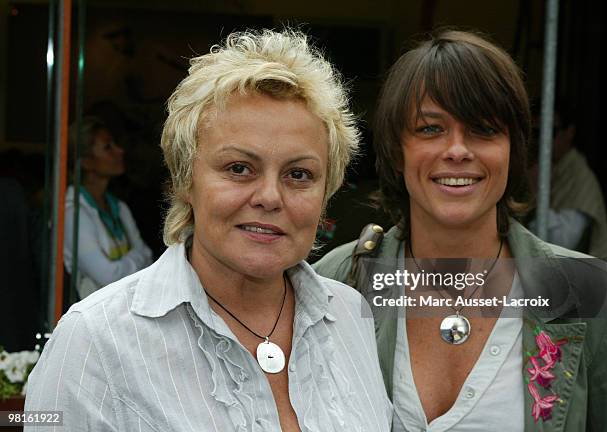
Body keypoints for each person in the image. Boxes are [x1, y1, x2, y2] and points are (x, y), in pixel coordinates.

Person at [25, 29, 392, 431]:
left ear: (327, 191)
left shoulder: (349, 314)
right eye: (238, 168)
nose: (270, 197)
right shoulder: (96, 340)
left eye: (299, 174)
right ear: (185, 178)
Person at [314, 30, 607, 431]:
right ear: (396, 150)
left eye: (483, 129)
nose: (457, 150)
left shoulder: (586, 291)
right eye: (430, 129)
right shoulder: (339, 280)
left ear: (514, 150)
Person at [64, 116, 153, 299]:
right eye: (107, 147)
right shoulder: (73, 212)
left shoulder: (119, 207)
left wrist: (124, 265)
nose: (119, 151)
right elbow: (107, 276)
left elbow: (149, 257)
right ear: (86, 162)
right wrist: (137, 258)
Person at [529, 103, 607, 258]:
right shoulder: (542, 167)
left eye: (550, 132)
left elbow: (561, 242)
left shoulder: (581, 176)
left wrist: (537, 193)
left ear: (570, 132)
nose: (542, 139)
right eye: (536, 132)